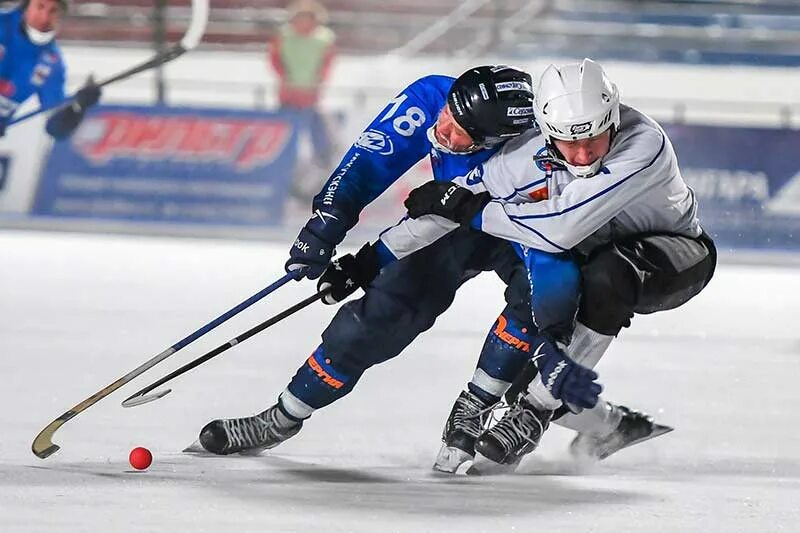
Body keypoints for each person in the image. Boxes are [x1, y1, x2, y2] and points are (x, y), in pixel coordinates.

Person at [196, 65, 663, 472]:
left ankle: (511, 411)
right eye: (449, 116)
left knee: (539, 338)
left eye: (463, 136)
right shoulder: (433, 99)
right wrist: (331, 234)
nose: (444, 132)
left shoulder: (542, 154)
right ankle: (282, 417)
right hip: (451, 221)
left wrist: (482, 393)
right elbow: (371, 163)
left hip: (525, 228)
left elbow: (557, 235)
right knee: (381, 313)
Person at [394, 58, 717, 473]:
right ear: (545, 132)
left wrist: (471, 211)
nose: (582, 156)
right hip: (596, 255)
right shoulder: (525, 152)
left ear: (614, 118)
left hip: (677, 255)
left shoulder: (643, 142)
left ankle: (537, 410)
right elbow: (454, 201)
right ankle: (614, 427)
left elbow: (561, 227)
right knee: (526, 362)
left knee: (608, 276)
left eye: (595, 139)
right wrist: (366, 262)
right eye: (567, 143)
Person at [0, 0, 101, 138]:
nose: (44, 17)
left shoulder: (52, 64)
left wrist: (78, 108)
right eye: (40, 7)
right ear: (26, 8)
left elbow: (56, 129)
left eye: (54, 11)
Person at [268, 0, 336, 196]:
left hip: (311, 97)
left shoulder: (324, 38)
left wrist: (318, 81)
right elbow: (274, 59)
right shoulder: (283, 35)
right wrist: (284, 77)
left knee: (317, 138)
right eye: (300, 17)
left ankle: (320, 173)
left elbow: (327, 63)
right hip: (288, 95)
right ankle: (285, 173)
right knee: (286, 138)